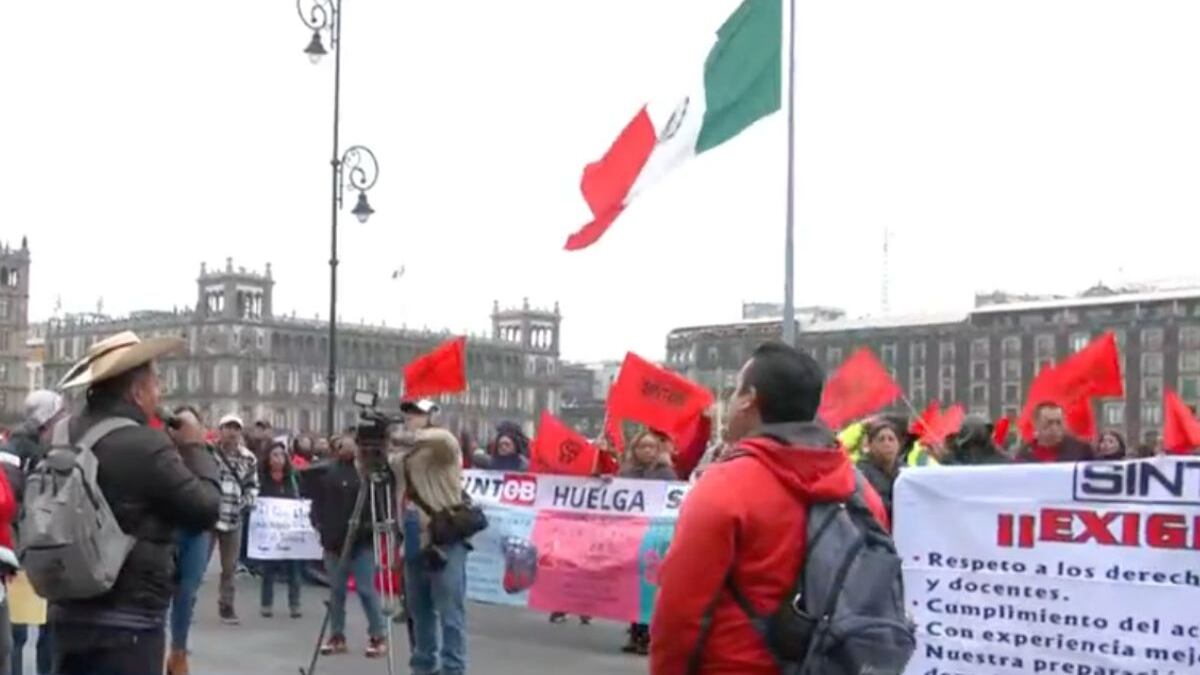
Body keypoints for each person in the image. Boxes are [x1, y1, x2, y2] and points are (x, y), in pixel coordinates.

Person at [650, 342, 889, 675]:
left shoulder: (724, 486)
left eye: (735, 390)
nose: (730, 401)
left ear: (750, 398)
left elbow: (679, 613)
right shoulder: (862, 492)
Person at [50, 331, 221, 674]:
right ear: (136, 391)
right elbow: (205, 508)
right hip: (128, 622)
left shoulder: (62, 433)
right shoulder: (146, 445)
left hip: (67, 615)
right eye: (156, 382)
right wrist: (194, 447)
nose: (160, 393)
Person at [389, 398, 470, 675]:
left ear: (432, 416)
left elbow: (443, 439)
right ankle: (423, 666)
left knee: (450, 613)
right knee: (419, 611)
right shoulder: (402, 455)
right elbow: (374, 468)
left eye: (418, 413)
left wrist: (404, 436)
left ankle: (453, 669)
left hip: (443, 535)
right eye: (408, 413)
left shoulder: (442, 446)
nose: (410, 417)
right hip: (412, 537)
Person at [310, 435, 387, 658]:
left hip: (361, 542)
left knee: (366, 589)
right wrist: (318, 524)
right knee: (336, 591)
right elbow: (318, 502)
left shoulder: (367, 474)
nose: (345, 448)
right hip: (334, 542)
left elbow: (377, 507)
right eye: (340, 444)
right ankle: (337, 635)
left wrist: (367, 529)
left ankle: (377, 634)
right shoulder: (328, 473)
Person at [7, 390, 63, 675]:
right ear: (46, 420)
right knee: (24, 630)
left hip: (30, 548)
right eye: (57, 417)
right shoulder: (22, 451)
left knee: (40, 628)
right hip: (26, 549)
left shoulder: (21, 446)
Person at [164, 406, 218, 675]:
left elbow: (211, 493)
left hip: (197, 531)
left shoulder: (205, 455)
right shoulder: (163, 453)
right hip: (169, 528)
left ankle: (178, 651)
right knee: (163, 590)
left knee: (187, 592)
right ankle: (163, 648)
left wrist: (195, 447)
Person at [616, 429, 676, 654]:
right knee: (632, 584)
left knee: (649, 584)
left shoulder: (666, 474)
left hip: (655, 535)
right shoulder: (626, 472)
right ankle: (635, 632)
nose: (647, 451)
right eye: (643, 446)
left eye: (652, 446)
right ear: (635, 449)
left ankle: (649, 634)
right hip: (630, 533)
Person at [209, 414, 258, 625]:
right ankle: (187, 604)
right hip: (208, 516)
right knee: (197, 565)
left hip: (233, 517)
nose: (232, 432)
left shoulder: (249, 458)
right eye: (228, 427)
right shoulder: (208, 453)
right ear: (220, 430)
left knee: (229, 567)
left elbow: (253, 485)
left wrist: (246, 502)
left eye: (236, 428)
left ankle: (226, 606)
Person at [258, 441, 303, 619]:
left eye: (281, 455)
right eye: (274, 455)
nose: (278, 459)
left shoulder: (293, 478)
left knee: (294, 569)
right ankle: (266, 603)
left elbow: (301, 499)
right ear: (268, 459)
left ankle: (295, 603)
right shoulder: (262, 479)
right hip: (269, 532)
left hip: (289, 531)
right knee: (268, 570)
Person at [1016, 402, 1096, 463]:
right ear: (1036, 424)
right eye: (1049, 423)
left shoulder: (1081, 450)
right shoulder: (1024, 456)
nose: (1054, 428)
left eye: (1058, 422)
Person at [856, 420, 902, 518]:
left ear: (898, 445)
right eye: (881, 439)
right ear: (870, 445)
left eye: (891, 439)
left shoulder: (907, 472)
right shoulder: (861, 473)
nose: (887, 444)